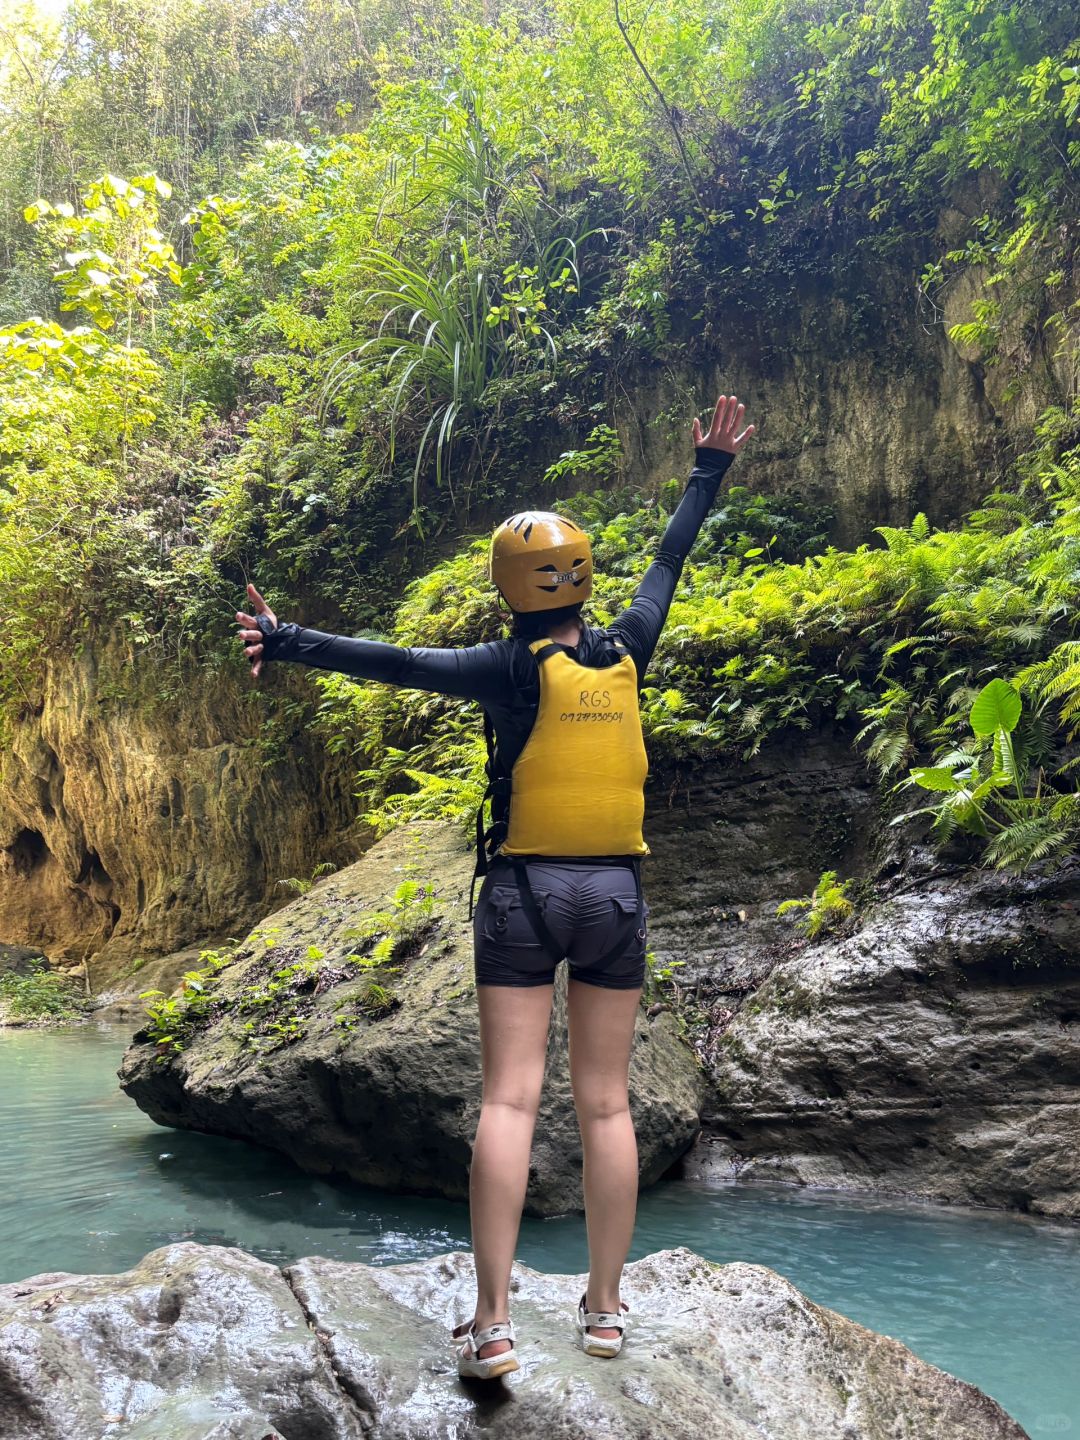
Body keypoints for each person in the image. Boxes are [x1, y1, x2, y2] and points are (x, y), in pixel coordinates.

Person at [235, 393, 755, 1379]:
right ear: (580, 579)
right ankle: (604, 1313)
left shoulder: (503, 669)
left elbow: (392, 661)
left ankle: (494, 1324)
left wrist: (289, 639)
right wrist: (706, 469)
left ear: (510, 590)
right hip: (614, 898)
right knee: (606, 1108)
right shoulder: (628, 648)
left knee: (510, 1104)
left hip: (521, 897)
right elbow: (668, 563)